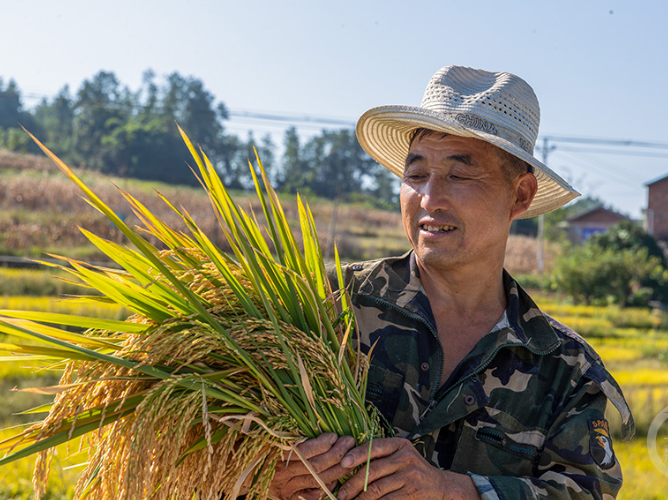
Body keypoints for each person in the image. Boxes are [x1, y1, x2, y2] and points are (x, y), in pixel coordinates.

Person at [266, 65, 635, 500]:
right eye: (416, 174)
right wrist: (263, 476)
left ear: (520, 195)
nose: (429, 198)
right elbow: (200, 431)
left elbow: (585, 493)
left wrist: (452, 491)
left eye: (459, 176)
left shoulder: (565, 368)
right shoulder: (321, 308)